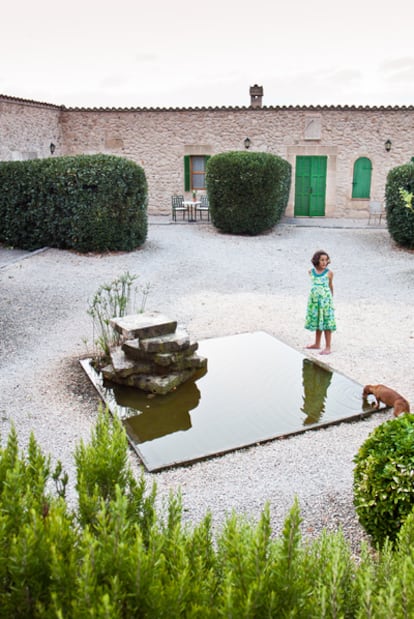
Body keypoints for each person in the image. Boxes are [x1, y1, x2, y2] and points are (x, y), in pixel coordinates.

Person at [305, 250, 336, 355]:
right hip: (315, 302)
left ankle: (328, 347)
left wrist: (330, 298)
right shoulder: (311, 272)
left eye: (326, 260)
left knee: (327, 323)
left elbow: (331, 286)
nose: (324, 262)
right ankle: (317, 343)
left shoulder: (329, 273)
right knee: (318, 321)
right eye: (322, 260)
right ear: (316, 260)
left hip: (325, 302)